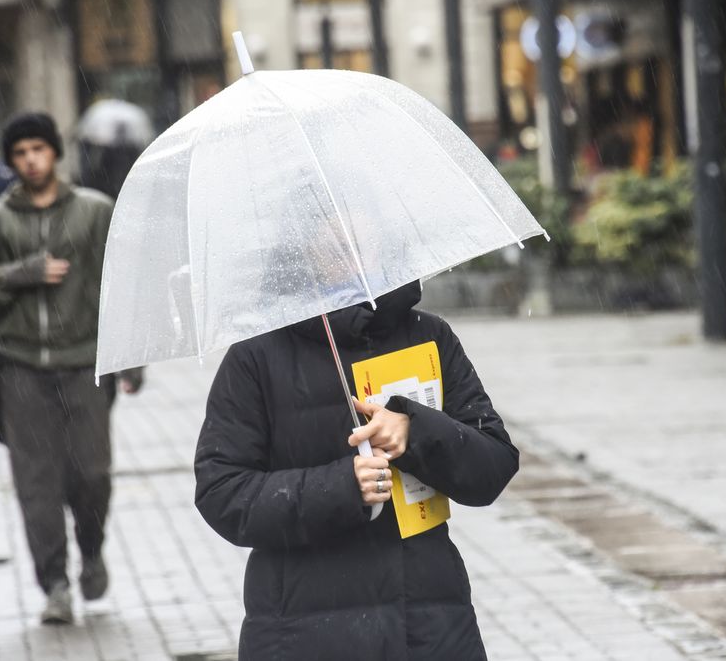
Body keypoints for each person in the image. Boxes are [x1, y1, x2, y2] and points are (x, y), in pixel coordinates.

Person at [194, 281, 519, 660]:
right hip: (301, 630)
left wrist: (416, 432)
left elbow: (493, 466)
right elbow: (222, 491)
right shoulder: (256, 355)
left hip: (429, 624)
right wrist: (342, 487)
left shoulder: (428, 337)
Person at [0, 112, 143, 625]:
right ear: (11, 161)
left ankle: (92, 549)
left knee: (92, 474)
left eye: (39, 148)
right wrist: (16, 276)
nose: (31, 159)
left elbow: (122, 286)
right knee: (38, 484)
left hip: (85, 365)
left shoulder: (94, 212)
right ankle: (55, 584)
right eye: (20, 152)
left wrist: (133, 356)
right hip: (20, 369)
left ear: (55, 152)